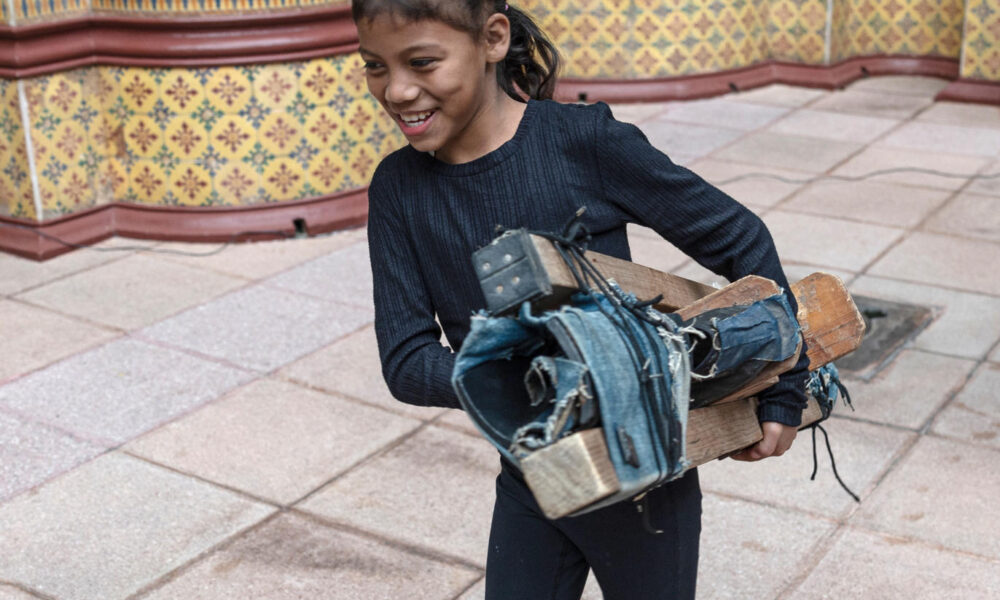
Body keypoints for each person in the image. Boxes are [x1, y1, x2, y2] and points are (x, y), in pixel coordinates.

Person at [352, 1, 810, 598]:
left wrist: (783, 385)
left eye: (421, 61)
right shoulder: (398, 188)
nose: (398, 90)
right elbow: (408, 361)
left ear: (492, 39)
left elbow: (737, 236)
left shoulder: (583, 142)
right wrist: (536, 376)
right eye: (374, 66)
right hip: (533, 471)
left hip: (646, 475)